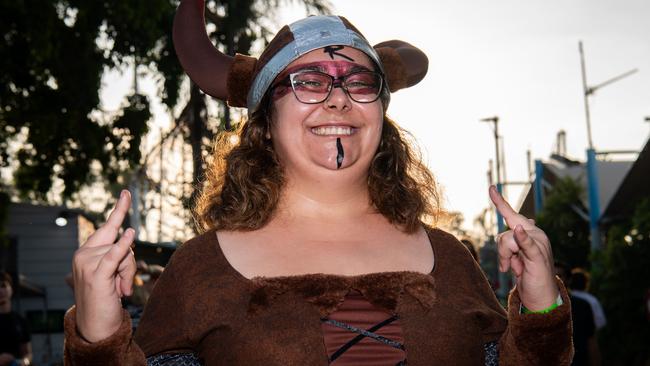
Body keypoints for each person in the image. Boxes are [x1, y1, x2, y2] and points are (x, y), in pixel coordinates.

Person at [63, 1, 573, 365]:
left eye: (359, 81)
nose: (337, 98)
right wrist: (100, 336)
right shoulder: (200, 268)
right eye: (308, 81)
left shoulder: (450, 257)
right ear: (265, 118)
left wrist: (541, 306)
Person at [0, 272, 32, 366]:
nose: (0, 291)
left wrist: (23, 362)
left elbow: (28, 354)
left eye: (3, 285)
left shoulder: (21, 321)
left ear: (11, 289)